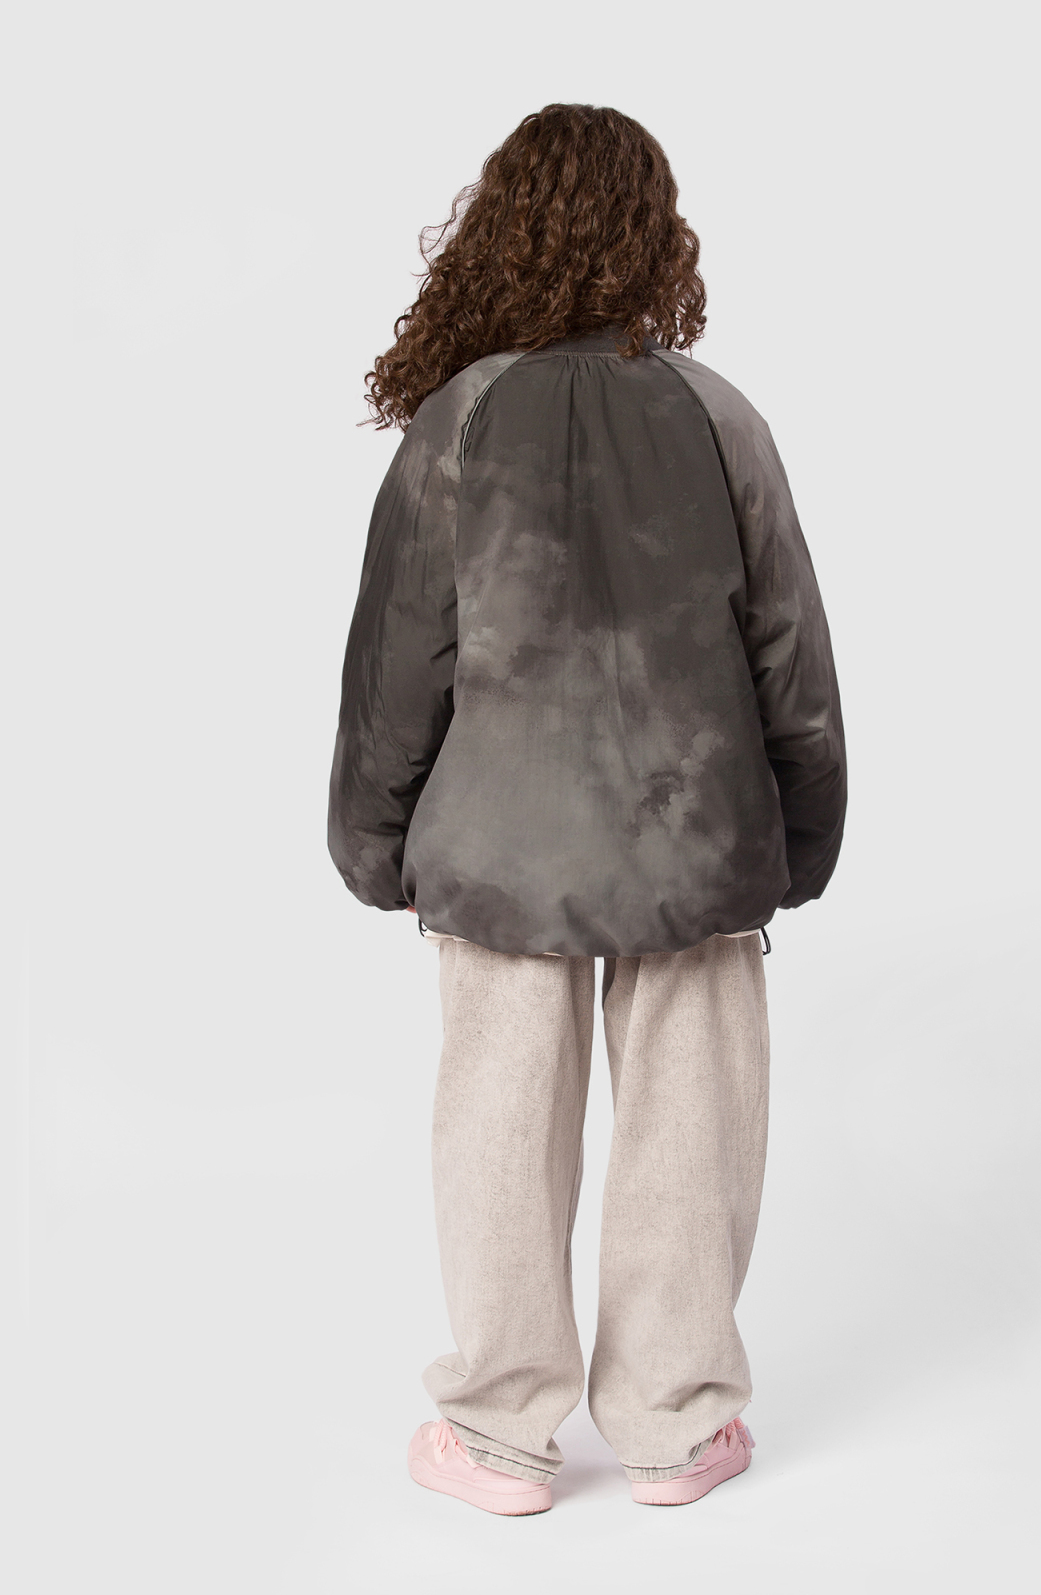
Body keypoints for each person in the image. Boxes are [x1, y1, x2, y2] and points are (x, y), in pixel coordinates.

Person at [328, 103, 846, 1515]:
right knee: (694, 1123)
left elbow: (398, 663)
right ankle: (677, 1430)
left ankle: (498, 1437)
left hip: (498, 849)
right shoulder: (718, 414)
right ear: (654, 238)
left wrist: (371, 844)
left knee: (498, 1121)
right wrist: (803, 837)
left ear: (501, 229)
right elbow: (789, 653)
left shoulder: (459, 418)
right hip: (697, 839)